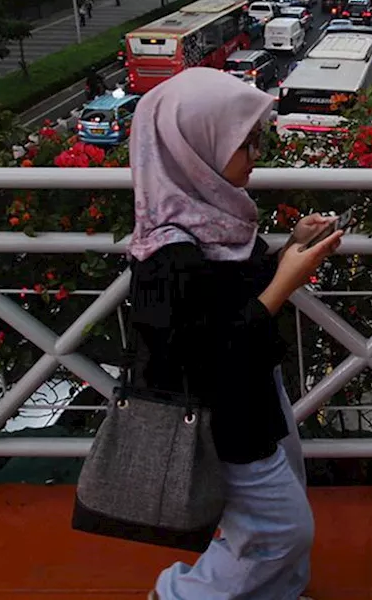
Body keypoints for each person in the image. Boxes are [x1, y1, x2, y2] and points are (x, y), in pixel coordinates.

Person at [128, 68, 341, 600]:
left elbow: (229, 292)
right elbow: (203, 354)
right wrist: (285, 283)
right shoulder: (166, 254)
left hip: (253, 395)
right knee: (281, 532)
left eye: (255, 140)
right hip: (221, 418)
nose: (255, 155)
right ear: (192, 148)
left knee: (282, 513)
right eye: (243, 144)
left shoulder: (210, 218)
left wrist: (289, 246)